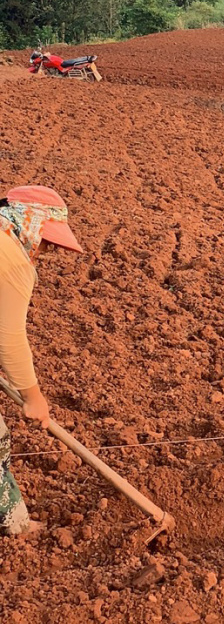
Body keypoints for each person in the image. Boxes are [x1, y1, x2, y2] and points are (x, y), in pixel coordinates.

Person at [0, 185, 83, 536]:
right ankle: (15, 527)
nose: (45, 248)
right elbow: (9, 338)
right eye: (47, 240)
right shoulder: (11, 259)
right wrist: (34, 396)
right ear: (29, 220)